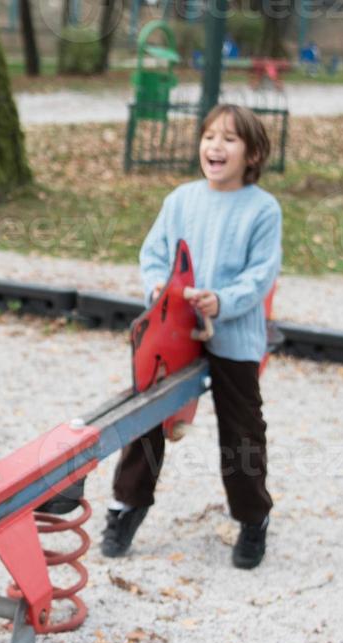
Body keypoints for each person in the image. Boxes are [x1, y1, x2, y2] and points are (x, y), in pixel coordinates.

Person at [101, 104, 282, 570]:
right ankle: (128, 504)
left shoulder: (262, 209)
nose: (215, 147)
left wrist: (221, 301)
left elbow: (262, 274)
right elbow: (154, 253)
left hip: (232, 326)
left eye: (229, 139)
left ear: (253, 152)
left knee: (241, 425)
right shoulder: (181, 199)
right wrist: (160, 288)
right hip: (175, 326)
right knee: (147, 411)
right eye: (209, 136)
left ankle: (252, 516)